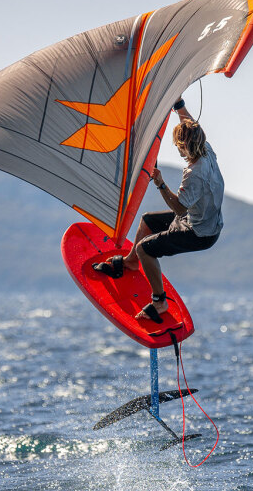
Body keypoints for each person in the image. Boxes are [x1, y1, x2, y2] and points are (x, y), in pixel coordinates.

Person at [93, 97, 224, 323]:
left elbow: (178, 207)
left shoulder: (194, 173)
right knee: (147, 221)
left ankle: (159, 301)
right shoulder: (206, 149)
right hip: (200, 220)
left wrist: (160, 183)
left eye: (178, 146)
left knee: (146, 248)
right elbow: (190, 123)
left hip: (200, 234)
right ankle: (131, 262)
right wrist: (178, 104)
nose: (178, 150)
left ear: (184, 146)